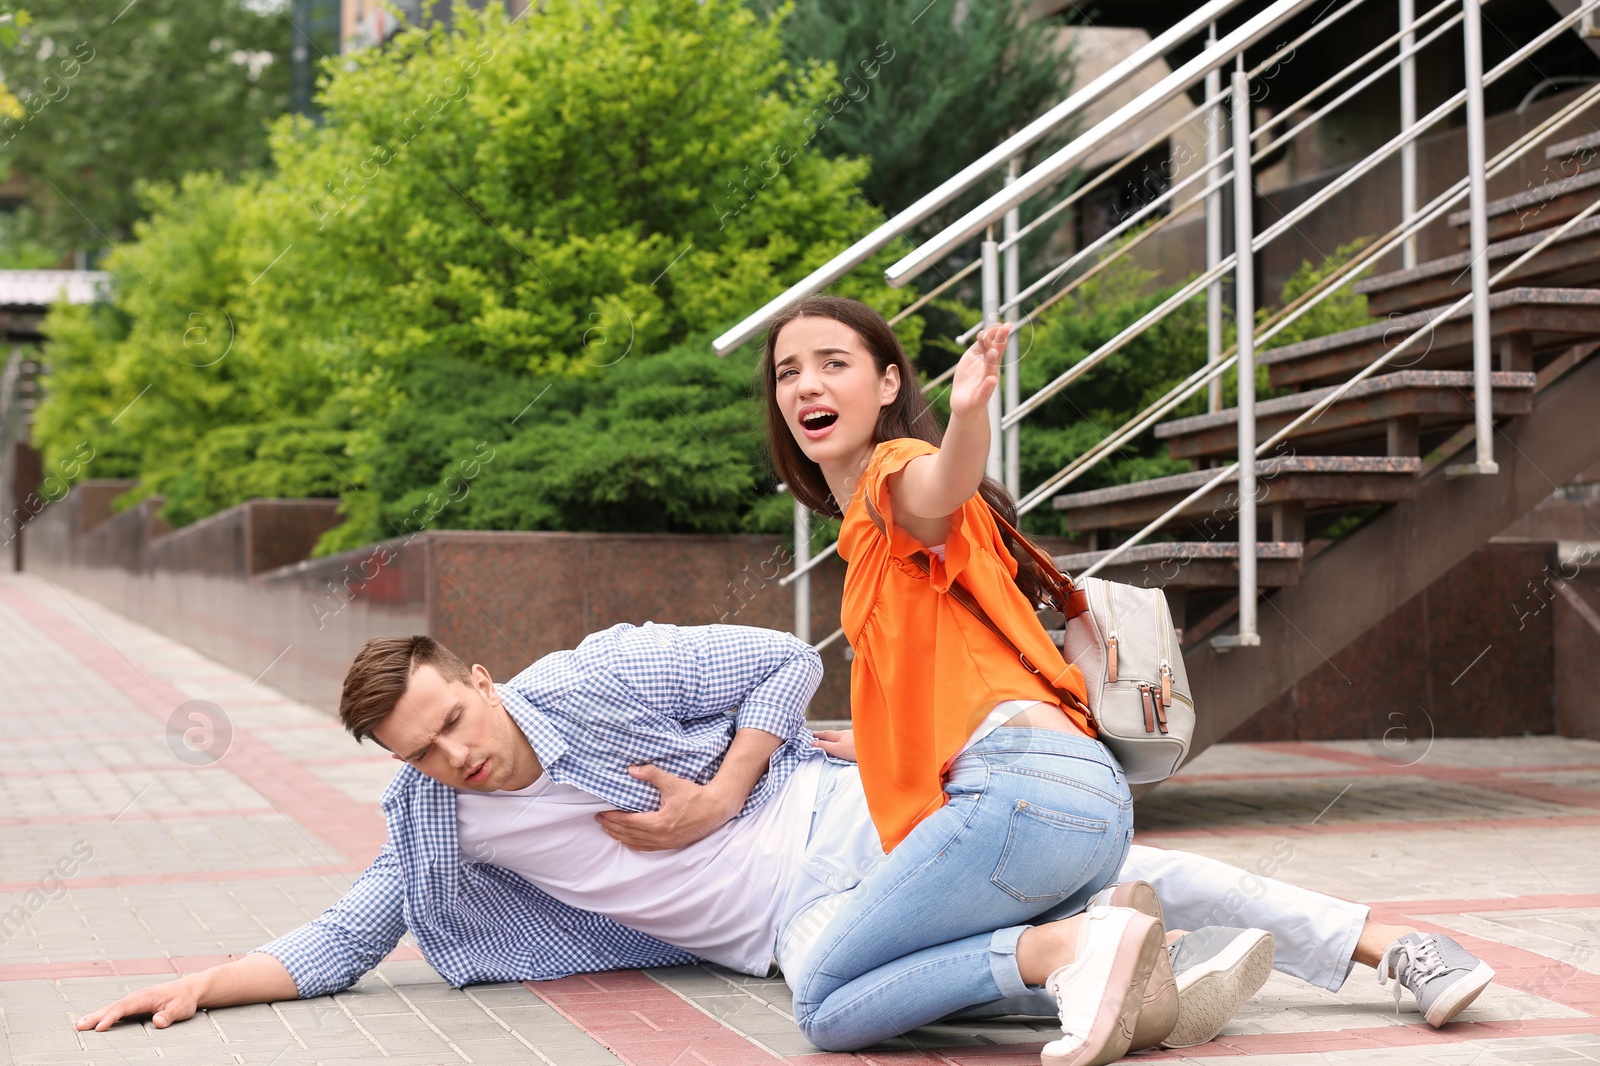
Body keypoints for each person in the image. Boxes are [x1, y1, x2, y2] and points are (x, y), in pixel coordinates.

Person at [75, 630, 1497, 1049]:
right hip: (786, 929)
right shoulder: (437, 821)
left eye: (457, 716)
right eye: (425, 749)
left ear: (484, 676)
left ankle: (1386, 942)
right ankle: (1091, 955)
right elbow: (341, 940)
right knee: (842, 990)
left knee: (997, 922)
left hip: (833, 815)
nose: (461, 753)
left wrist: (715, 792)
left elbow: (776, 657)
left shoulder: (591, 678)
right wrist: (201, 981)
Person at [762, 294, 1167, 1062]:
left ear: (888, 386)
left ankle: (1067, 949)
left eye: (833, 364)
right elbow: (950, 671)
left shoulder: (894, 469)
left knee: (823, 1001)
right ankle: (1140, 950)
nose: (806, 386)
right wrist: (880, 746)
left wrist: (969, 415)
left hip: (1021, 794)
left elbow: (941, 481)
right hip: (1095, 805)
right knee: (915, 984)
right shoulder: (871, 530)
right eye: (789, 373)